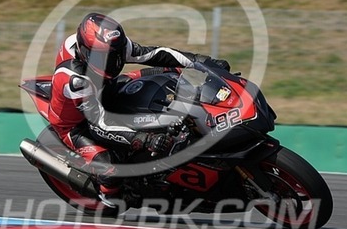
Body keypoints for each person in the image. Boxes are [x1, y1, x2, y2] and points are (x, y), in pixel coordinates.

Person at [48, 12, 230, 199]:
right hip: (78, 125)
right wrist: (144, 139)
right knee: (111, 170)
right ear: (86, 52)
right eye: (102, 58)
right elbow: (99, 124)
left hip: (104, 90)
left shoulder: (112, 45)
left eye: (115, 56)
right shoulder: (76, 80)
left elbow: (156, 54)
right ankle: (108, 197)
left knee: (166, 73)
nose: (112, 62)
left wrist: (202, 62)